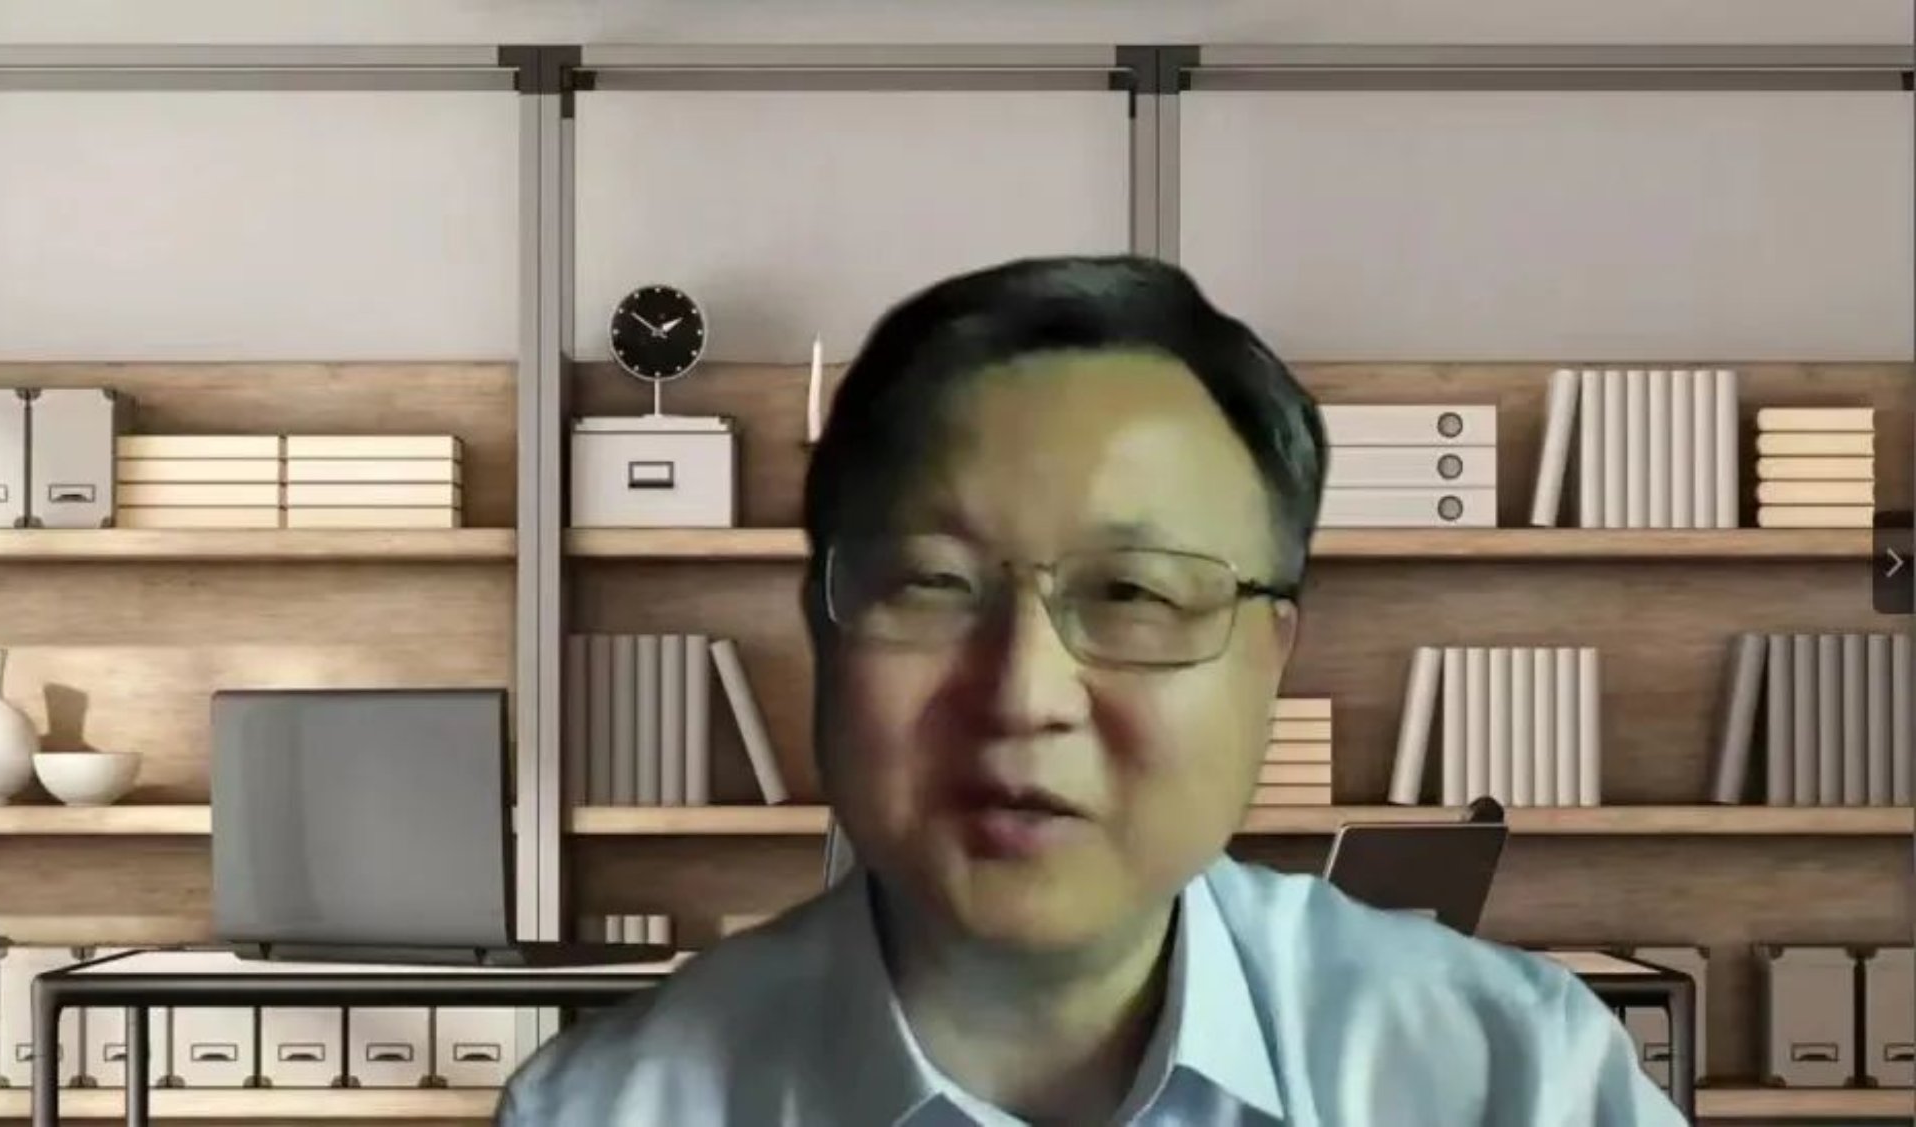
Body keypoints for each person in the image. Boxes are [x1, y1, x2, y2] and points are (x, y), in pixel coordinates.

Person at [498, 255, 1686, 1126]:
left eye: (1131, 591)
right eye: (932, 582)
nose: (1023, 694)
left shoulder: (1509, 1077)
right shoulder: (613, 1106)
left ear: (1271, 657)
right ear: (821, 626)